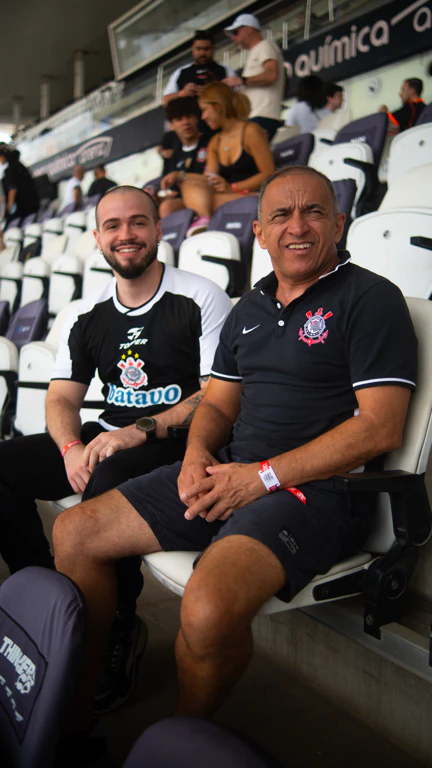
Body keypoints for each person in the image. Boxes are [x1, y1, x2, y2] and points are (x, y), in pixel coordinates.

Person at [53, 166, 417, 738]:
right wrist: (197, 455)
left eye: (314, 212)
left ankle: (181, 743)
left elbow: (379, 429)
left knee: (205, 611)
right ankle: (73, 718)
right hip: (231, 473)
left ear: (339, 224)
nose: (298, 226)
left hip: (314, 493)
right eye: (281, 215)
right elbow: (218, 405)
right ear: (259, 232)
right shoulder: (249, 308)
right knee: (74, 534)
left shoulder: (372, 299)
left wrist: (260, 478)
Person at [0, 185, 232, 714]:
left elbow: (216, 396)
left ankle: (118, 626)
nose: (126, 234)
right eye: (113, 225)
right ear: (98, 237)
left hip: (176, 443)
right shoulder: (85, 311)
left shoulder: (199, 297)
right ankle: (49, 599)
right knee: (4, 465)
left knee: (109, 477)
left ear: (158, 229)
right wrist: (69, 447)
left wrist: (140, 430)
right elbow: (61, 397)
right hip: (105, 435)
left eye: (138, 222)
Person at [176, 82, 275, 233]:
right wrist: (180, 177)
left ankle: (204, 222)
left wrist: (232, 187)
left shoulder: (251, 131)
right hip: (230, 197)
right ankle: (204, 221)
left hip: (256, 196)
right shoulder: (215, 142)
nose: (203, 117)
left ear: (218, 106)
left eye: (204, 110)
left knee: (204, 201)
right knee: (187, 186)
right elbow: (207, 180)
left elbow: (269, 174)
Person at [223, 14, 285, 141]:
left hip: (262, 116)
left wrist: (241, 81)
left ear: (249, 29)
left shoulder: (264, 45)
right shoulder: (257, 50)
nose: (233, 38)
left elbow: (271, 74)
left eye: (236, 32)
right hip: (257, 116)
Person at [152, 97, 210, 219]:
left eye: (189, 117)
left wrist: (180, 176)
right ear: (171, 125)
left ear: (197, 118)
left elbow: (211, 180)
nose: (185, 122)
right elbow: (174, 193)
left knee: (167, 208)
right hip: (185, 203)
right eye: (179, 119)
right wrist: (156, 198)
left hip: (208, 197)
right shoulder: (173, 155)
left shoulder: (210, 143)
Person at [163, 30, 236, 107]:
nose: (202, 53)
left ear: (213, 48)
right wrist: (183, 93)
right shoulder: (181, 72)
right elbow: (165, 100)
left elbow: (237, 98)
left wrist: (212, 93)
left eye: (206, 49)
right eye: (198, 49)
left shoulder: (225, 70)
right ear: (192, 49)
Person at [0, 144, 39, 227]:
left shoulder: (10, 169)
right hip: (32, 205)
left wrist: (9, 208)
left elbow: (12, 188)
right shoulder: (19, 165)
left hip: (22, 209)